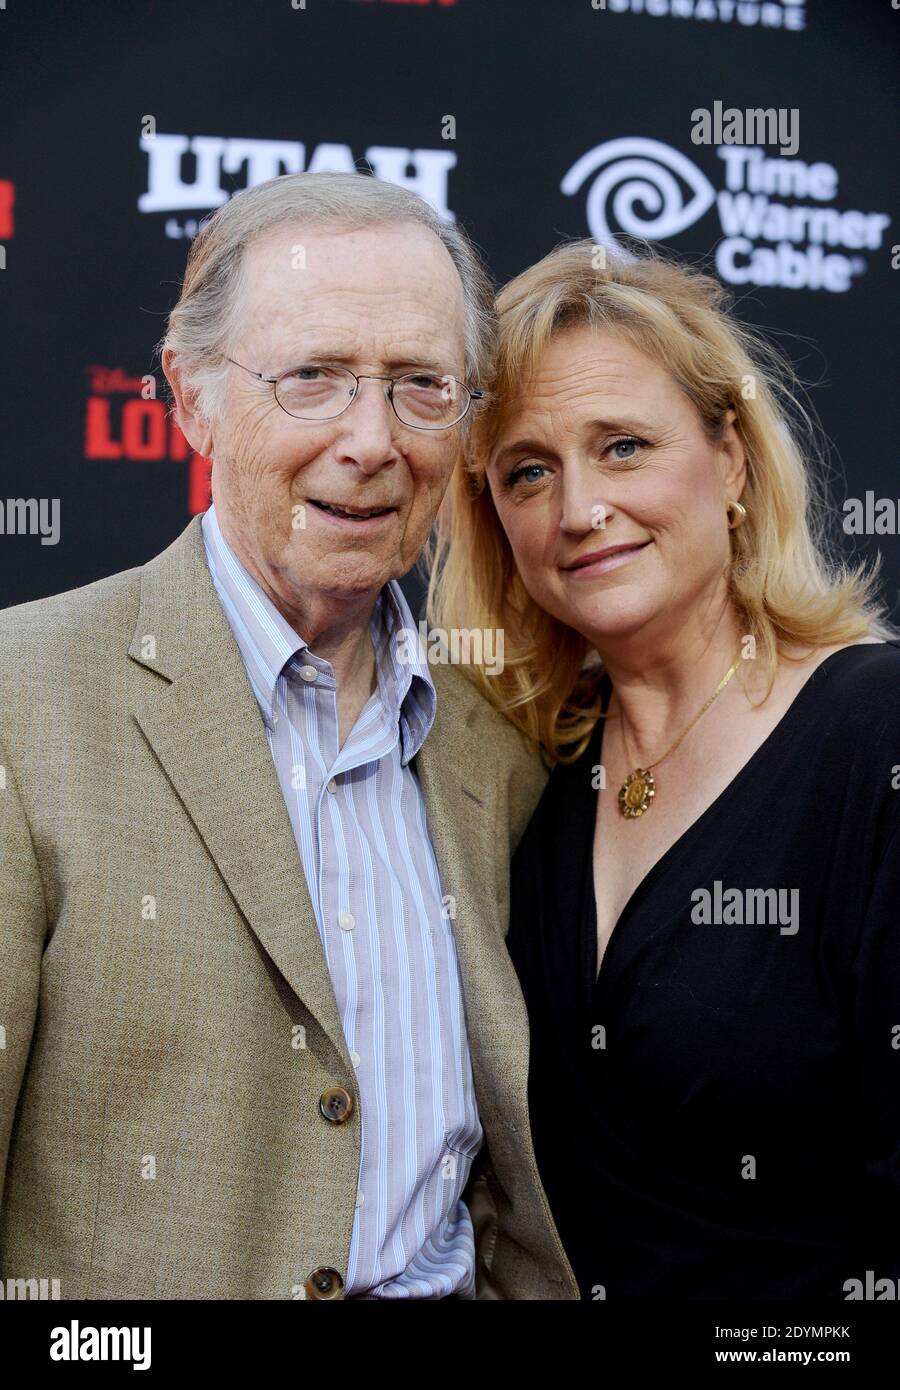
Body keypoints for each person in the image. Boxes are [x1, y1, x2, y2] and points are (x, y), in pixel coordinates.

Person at [0, 173, 579, 1301]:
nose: (370, 441)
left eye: (420, 387)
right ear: (192, 397)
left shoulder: (499, 739)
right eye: (310, 377)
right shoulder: (25, 703)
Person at [428, 238, 900, 1299]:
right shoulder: (525, 774)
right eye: (529, 470)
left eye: (625, 445)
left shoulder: (872, 734)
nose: (579, 508)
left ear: (730, 460)